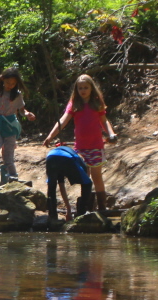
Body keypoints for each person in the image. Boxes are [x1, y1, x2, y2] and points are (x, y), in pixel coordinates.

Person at [42, 74, 117, 212]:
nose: (83, 90)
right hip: (81, 148)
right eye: (80, 88)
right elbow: (63, 121)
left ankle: (102, 207)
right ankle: (86, 207)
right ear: (76, 89)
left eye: (86, 87)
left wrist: (111, 133)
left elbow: (104, 121)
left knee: (97, 176)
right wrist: (51, 136)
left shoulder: (96, 102)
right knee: (85, 178)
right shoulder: (75, 104)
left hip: (95, 146)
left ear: (91, 88)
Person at [44, 144, 93, 224]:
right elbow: (86, 180)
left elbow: (61, 186)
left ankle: (52, 217)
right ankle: (81, 215)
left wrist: (69, 210)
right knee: (88, 184)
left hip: (51, 157)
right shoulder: (81, 161)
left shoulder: (69, 153)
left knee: (51, 187)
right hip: (67, 158)